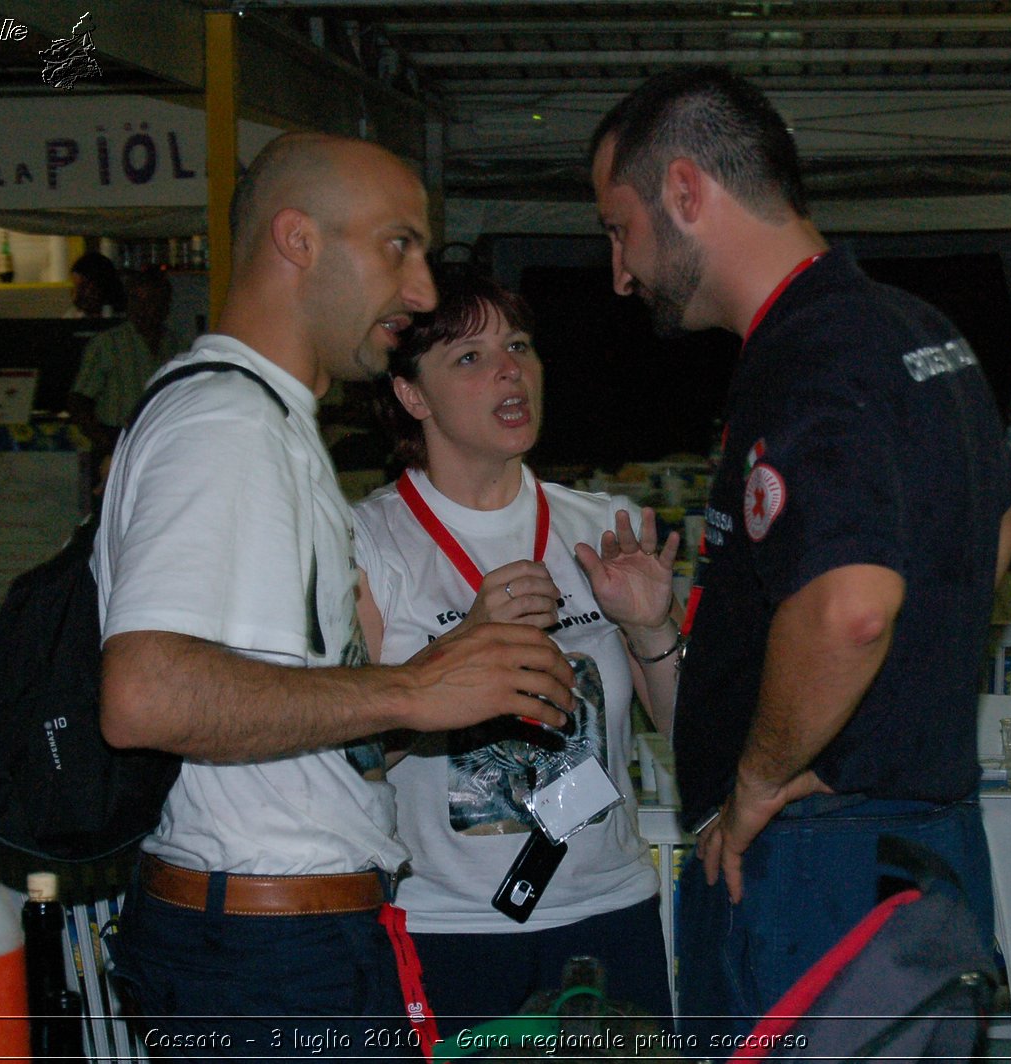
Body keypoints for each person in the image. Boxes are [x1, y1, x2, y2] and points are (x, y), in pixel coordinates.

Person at [93, 132, 575, 1057]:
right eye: (399, 245)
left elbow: (286, 727)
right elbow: (144, 693)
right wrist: (410, 687)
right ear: (298, 240)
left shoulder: (265, 422)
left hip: (286, 941)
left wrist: (432, 680)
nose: (424, 289)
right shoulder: (228, 425)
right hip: (267, 952)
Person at [588, 67, 1011, 1039]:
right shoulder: (917, 327)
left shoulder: (808, 360)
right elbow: (1000, 519)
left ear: (687, 192)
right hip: (927, 846)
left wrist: (755, 781)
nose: (618, 271)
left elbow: (849, 606)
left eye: (619, 229)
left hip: (813, 870)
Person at [351, 268, 680, 1035]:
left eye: (520, 346)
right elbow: (347, 760)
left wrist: (653, 630)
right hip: (447, 927)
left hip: (608, 913)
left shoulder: (605, 525)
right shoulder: (368, 541)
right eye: (469, 357)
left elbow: (695, 742)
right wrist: (459, 653)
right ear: (411, 395)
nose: (509, 370)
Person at [66, 269, 188, 456]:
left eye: (151, 301)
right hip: (114, 442)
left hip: (162, 444)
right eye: (136, 300)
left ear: (165, 305)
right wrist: (106, 442)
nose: (142, 308)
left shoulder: (180, 347)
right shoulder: (106, 344)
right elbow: (79, 401)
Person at [66, 250, 125, 319]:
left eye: (83, 287)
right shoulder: (73, 316)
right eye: (76, 287)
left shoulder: (122, 320)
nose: (77, 295)